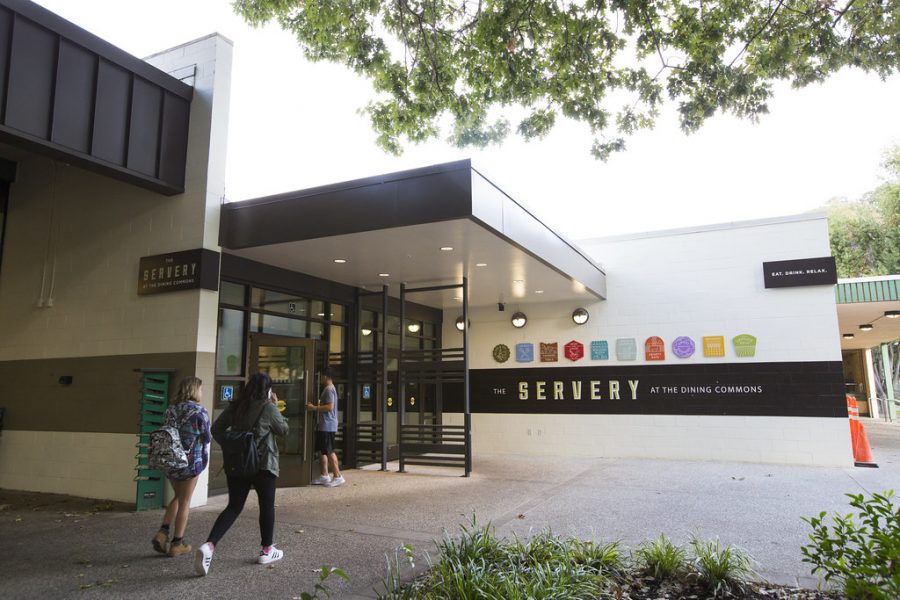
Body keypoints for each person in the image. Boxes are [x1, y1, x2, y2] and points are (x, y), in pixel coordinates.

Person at [194, 372, 289, 576]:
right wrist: (275, 404)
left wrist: (234, 444)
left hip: (238, 464)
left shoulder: (236, 406)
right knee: (266, 506)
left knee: (234, 506)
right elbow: (284, 430)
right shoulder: (269, 407)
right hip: (264, 464)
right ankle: (266, 550)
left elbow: (216, 430)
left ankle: (209, 545)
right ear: (268, 390)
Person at [151, 376, 211, 557]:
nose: (202, 392)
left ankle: (162, 532)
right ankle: (177, 543)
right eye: (200, 389)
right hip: (190, 462)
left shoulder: (171, 410)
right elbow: (207, 436)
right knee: (185, 500)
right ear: (195, 390)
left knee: (177, 496)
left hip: (171, 461)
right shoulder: (199, 410)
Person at [307, 370, 344, 488]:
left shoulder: (328, 389)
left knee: (329, 451)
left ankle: (338, 476)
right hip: (324, 425)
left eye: (321, 376)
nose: (320, 378)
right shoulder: (328, 389)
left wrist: (313, 408)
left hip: (328, 425)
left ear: (326, 376)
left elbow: (329, 407)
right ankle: (324, 475)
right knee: (322, 450)